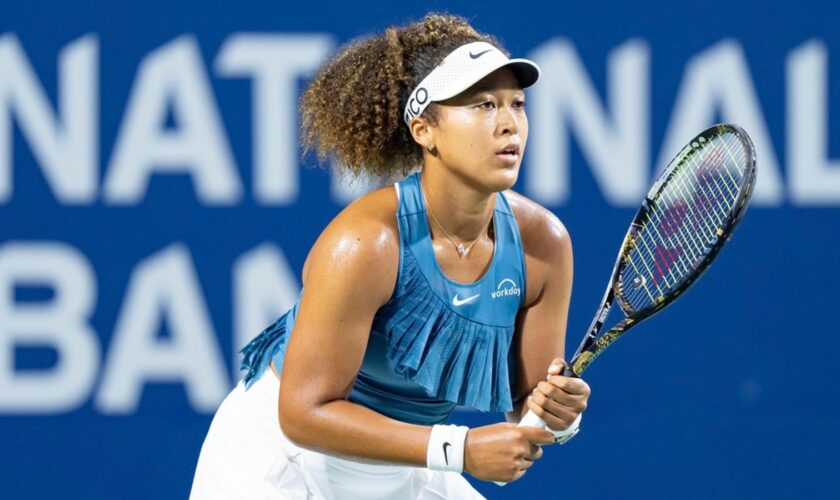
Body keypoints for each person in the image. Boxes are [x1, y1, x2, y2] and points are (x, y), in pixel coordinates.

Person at [190, 13, 591, 499]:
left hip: (405, 462)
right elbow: (302, 412)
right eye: (483, 105)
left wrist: (557, 416)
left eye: (517, 104)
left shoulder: (543, 244)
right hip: (283, 459)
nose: (509, 124)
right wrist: (460, 451)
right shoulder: (365, 244)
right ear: (425, 130)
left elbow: (528, 407)